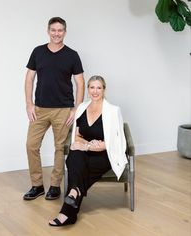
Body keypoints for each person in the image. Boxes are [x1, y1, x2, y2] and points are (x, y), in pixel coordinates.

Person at [49, 75, 128, 226]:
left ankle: (68, 209)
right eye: (92, 87)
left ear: (104, 90)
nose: (95, 91)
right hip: (86, 152)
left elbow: (114, 142)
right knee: (75, 154)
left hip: (104, 156)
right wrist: (87, 145)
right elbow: (77, 136)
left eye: (99, 87)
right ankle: (74, 196)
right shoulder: (81, 108)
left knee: (77, 166)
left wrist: (88, 146)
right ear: (88, 90)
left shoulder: (112, 110)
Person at [23, 17, 85, 201]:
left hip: (63, 110)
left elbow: (80, 83)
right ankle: (37, 185)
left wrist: (76, 109)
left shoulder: (72, 55)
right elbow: (29, 78)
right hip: (40, 109)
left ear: (65, 32)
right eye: (53, 30)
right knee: (31, 145)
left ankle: (55, 186)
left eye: (60, 30)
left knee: (60, 148)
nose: (56, 33)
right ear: (48, 31)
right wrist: (29, 104)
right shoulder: (38, 52)